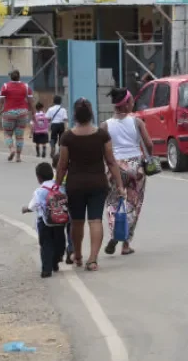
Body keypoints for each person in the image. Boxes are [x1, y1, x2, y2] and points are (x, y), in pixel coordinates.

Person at [55, 98, 126, 272]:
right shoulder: (102, 135)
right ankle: (92, 260)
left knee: (77, 222)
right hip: (97, 184)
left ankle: (77, 255)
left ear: (74, 115)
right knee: (95, 220)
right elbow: (111, 161)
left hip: (75, 185)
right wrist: (120, 184)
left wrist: (56, 186)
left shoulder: (67, 137)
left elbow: (62, 164)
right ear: (91, 114)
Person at [101, 88, 153, 256]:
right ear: (128, 103)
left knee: (112, 202)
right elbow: (149, 144)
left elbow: (101, 149)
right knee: (133, 204)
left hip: (115, 167)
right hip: (135, 166)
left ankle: (115, 232)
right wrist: (148, 157)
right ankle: (126, 244)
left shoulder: (105, 125)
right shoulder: (137, 122)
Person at [22, 162, 67, 278]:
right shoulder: (59, 187)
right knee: (59, 242)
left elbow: (34, 205)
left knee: (46, 244)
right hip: (60, 221)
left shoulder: (39, 191)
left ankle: (46, 269)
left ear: (38, 177)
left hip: (45, 222)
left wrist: (26, 209)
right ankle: (56, 261)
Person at [0, 70, 34, 162]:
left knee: (7, 134)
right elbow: (30, 101)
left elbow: (1, 101)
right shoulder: (26, 86)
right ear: (19, 76)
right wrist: (32, 113)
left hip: (8, 113)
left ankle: (12, 149)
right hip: (22, 113)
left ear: (10, 77)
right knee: (19, 136)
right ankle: (18, 157)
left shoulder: (5, 86)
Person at [51, 153, 74, 265]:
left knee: (58, 232)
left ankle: (59, 254)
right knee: (71, 229)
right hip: (71, 206)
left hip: (58, 210)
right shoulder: (72, 175)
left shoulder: (53, 176)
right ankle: (71, 251)